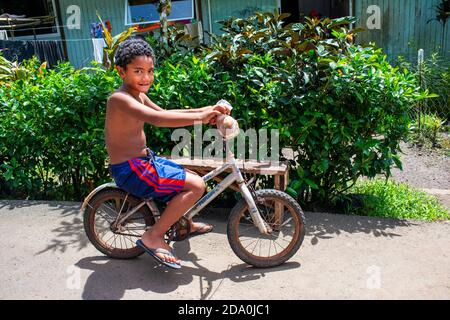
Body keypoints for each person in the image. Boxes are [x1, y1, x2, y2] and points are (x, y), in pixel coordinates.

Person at [105, 37, 229, 269]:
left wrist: (208, 110)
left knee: (190, 175)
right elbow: (158, 119)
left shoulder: (138, 95)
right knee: (197, 186)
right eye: (138, 71)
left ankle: (182, 223)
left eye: (150, 71)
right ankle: (153, 236)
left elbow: (166, 111)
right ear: (121, 71)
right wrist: (200, 118)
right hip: (131, 170)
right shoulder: (119, 99)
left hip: (142, 161)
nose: (146, 77)